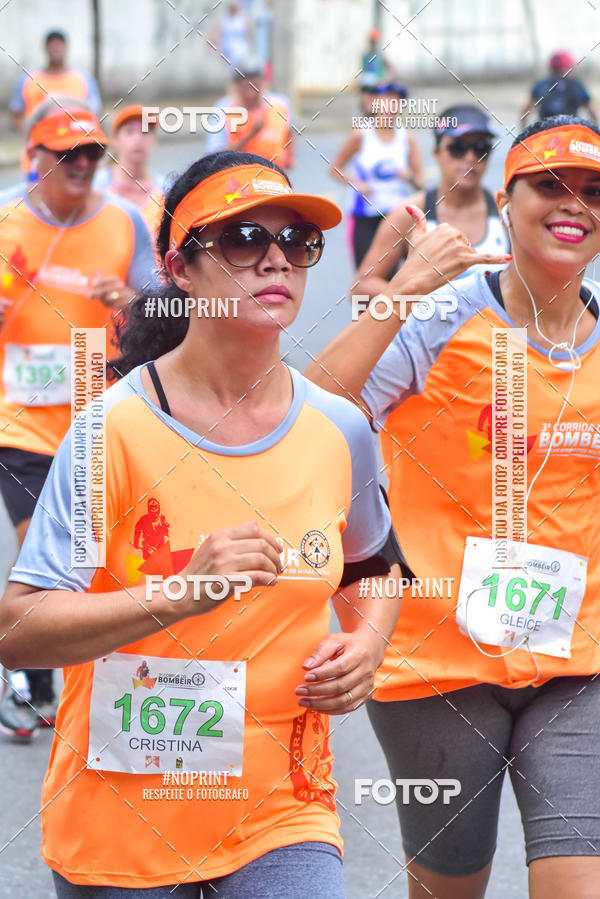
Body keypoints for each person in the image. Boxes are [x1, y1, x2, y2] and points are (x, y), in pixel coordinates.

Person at [0, 150, 406, 896]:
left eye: (297, 242)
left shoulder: (341, 430)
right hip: (122, 821)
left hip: (282, 812)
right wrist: (178, 594)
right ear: (179, 268)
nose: (276, 258)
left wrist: (368, 645)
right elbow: (17, 629)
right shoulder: (110, 432)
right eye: (244, 238)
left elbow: (375, 568)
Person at [307, 115, 600, 898]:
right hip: (437, 666)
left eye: (595, 191)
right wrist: (401, 294)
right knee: (449, 890)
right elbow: (306, 419)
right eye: (550, 184)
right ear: (508, 198)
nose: (575, 203)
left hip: (577, 664)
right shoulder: (438, 315)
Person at [0, 98, 154, 741]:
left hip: (98, 418)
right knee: (43, 539)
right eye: (67, 153)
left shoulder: (124, 222)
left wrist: (131, 303)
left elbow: (164, 313)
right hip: (19, 420)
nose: (82, 164)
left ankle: (85, 677)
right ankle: (33, 674)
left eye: (92, 153)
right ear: (33, 157)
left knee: (94, 559)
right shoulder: (6, 219)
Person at [353, 104, 510, 296]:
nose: (470, 157)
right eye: (458, 148)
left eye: (481, 148)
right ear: (437, 153)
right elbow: (362, 286)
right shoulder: (410, 213)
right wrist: (424, 302)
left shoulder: (506, 209)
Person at [331, 82, 424, 268]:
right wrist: (357, 183)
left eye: (396, 102)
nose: (391, 106)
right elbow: (335, 169)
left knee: (395, 276)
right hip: (364, 214)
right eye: (387, 100)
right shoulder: (361, 135)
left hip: (395, 215)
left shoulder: (406, 138)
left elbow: (420, 183)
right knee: (365, 275)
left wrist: (408, 177)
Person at [204, 56, 294, 168]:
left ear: (263, 80)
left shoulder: (281, 105)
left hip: (275, 180)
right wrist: (250, 134)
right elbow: (213, 158)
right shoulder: (224, 110)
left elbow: (289, 131)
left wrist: (290, 156)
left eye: (254, 78)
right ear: (235, 84)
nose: (249, 83)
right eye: (243, 79)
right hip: (240, 179)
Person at [94, 104, 167, 233]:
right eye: (129, 132)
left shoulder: (165, 189)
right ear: (115, 140)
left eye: (145, 132)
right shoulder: (95, 185)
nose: (138, 138)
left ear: (154, 140)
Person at [10, 30, 101, 133]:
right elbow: (16, 116)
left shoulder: (84, 79)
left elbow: (94, 114)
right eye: (52, 44)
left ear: (66, 47)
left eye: (59, 44)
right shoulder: (27, 80)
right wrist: (32, 137)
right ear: (45, 48)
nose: (56, 48)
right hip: (38, 143)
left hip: (74, 143)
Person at [522, 51, 598, 124]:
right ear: (567, 68)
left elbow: (525, 110)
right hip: (571, 132)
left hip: (546, 132)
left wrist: (523, 131)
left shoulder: (541, 84)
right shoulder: (576, 85)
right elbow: (593, 111)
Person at [220, 2, 251, 74]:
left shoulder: (242, 19)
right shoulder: (224, 19)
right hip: (228, 51)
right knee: (230, 73)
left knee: (241, 73)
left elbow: (248, 34)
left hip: (241, 51)